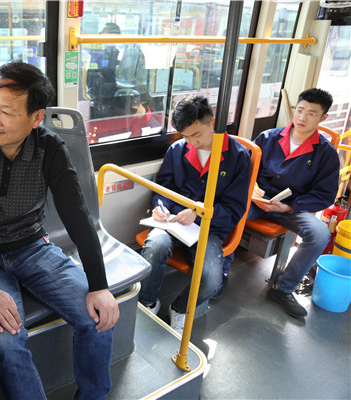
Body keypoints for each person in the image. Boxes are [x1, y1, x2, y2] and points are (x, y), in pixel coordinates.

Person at [0, 61, 119, 399]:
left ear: (36, 117)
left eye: (7, 112)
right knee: (7, 344)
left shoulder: (49, 147)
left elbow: (77, 216)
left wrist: (100, 286)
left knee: (98, 319)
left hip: (33, 248)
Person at [138, 95, 251, 333]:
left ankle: (180, 309)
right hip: (173, 221)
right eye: (185, 136)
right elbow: (164, 188)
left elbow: (235, 207)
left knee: (212, 280)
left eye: (196, 134)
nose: (192, 142)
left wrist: (198, 214)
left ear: (212, 122)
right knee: (154, 246)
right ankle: (147, 302)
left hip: (209, 228)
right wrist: (161, 206)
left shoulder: (238, 157)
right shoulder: (178, 149)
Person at [222, 88, 338, 318]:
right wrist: (252, 190)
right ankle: (220, 273)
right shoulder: (268, 137)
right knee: (227, 212)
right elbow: (245, 170)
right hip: (256, 200)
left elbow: (325, 194)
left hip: (292, 206)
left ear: (323, 117)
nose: (303, 117)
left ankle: (283, 288)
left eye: (312, 114)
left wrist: (290, 206)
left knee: (320, 234)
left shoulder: (326, 153)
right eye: (300, 110)